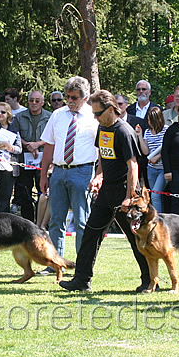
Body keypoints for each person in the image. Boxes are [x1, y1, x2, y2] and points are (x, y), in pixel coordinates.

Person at [59, 90, 151, 292]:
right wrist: (99, 176)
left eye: (98, 113)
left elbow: (133, 166)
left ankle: (149, 281)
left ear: (111, 109)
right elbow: (102, 155)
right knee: (91, 233)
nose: (95, 117)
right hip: (107, 191)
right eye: (93, 113)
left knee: (135, 238)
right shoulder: (103, 128)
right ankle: (81, 280)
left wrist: (130, 198)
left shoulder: (124, 131)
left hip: (125, 191)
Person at [40, 76, 98, 265]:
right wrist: (43, 175)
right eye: (68, 97)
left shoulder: (94, 116)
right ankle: (55, 262)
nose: (70, 101)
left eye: (74, 97)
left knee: (82, 221)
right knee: (56, 220)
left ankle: (82, 264)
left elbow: (105, 150)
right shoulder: (58, 115)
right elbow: (49, 145)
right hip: (58, 171)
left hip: (83, 172)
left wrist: (99, 175)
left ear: (85, 97)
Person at [16, 90, 51, 221]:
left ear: (42, 102)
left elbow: (54, 136)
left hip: (44, 160)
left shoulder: (50, 117)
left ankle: (42, 222)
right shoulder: (19, 117)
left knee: (44, 191)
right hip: (24, 160)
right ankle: (28, 222)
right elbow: (15, 135)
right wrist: (28, 145)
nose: (34, 103)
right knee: (25, 192)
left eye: (37, 100)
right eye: (31, 100)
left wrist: (37, 144)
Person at [135, 106, 168, 213]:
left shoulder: (166, 130)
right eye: (148, 120)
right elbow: (145, 151)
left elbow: (167, 148)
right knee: (153, 196)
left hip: (163, 168)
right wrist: (139, 136)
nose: (149, 123)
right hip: (151, 169)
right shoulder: (148, 132)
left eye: (151, 120)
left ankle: (159, 219)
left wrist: (158, 157)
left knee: (155, 195)